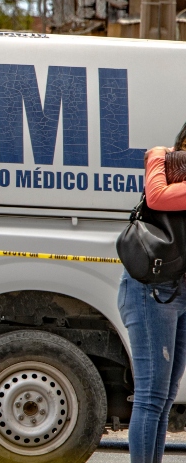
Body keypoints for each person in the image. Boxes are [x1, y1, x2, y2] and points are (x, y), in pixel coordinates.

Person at [123, 125, 186, 463]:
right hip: (152, 290)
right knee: (151, 395)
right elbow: (157, 196)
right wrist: (159, 154)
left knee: (163, 397)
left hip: (178, 290)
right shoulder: (167, 169)